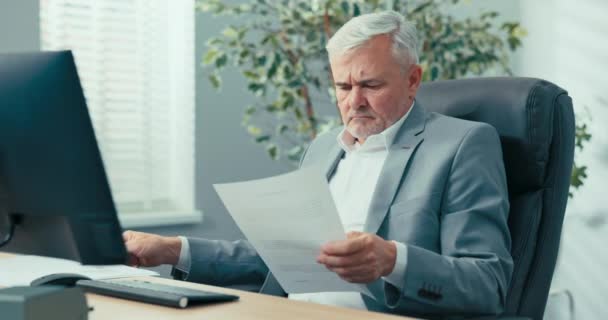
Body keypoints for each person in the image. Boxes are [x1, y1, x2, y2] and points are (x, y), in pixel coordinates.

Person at [123, 11, 513, 318]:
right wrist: (173, 249)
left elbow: (487, 282)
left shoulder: (462, 144)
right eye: (343, 87)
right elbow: (277, 259)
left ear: (413, 80)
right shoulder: (326, 146)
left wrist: (393, 260)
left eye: (371, 85)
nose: (353, 101)